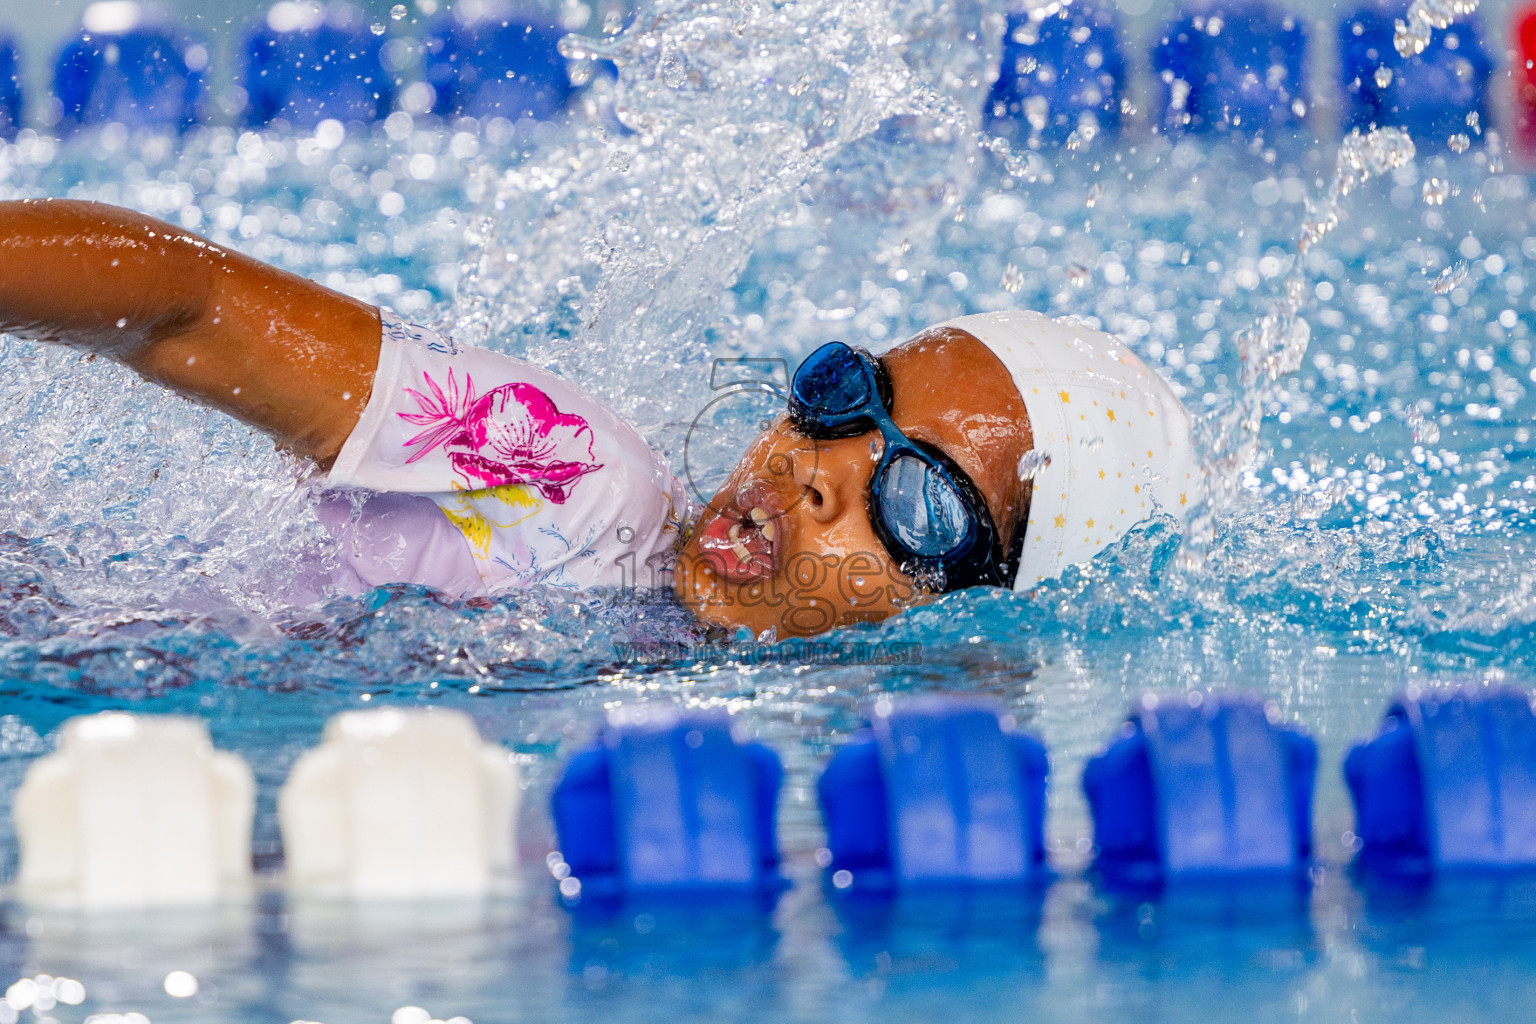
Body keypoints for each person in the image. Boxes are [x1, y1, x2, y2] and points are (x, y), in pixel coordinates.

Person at [0, 198, 1199, 638]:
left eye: (921, 499)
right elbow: (185, 302)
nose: (814, 467)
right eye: (844, 396)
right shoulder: (567, 472)